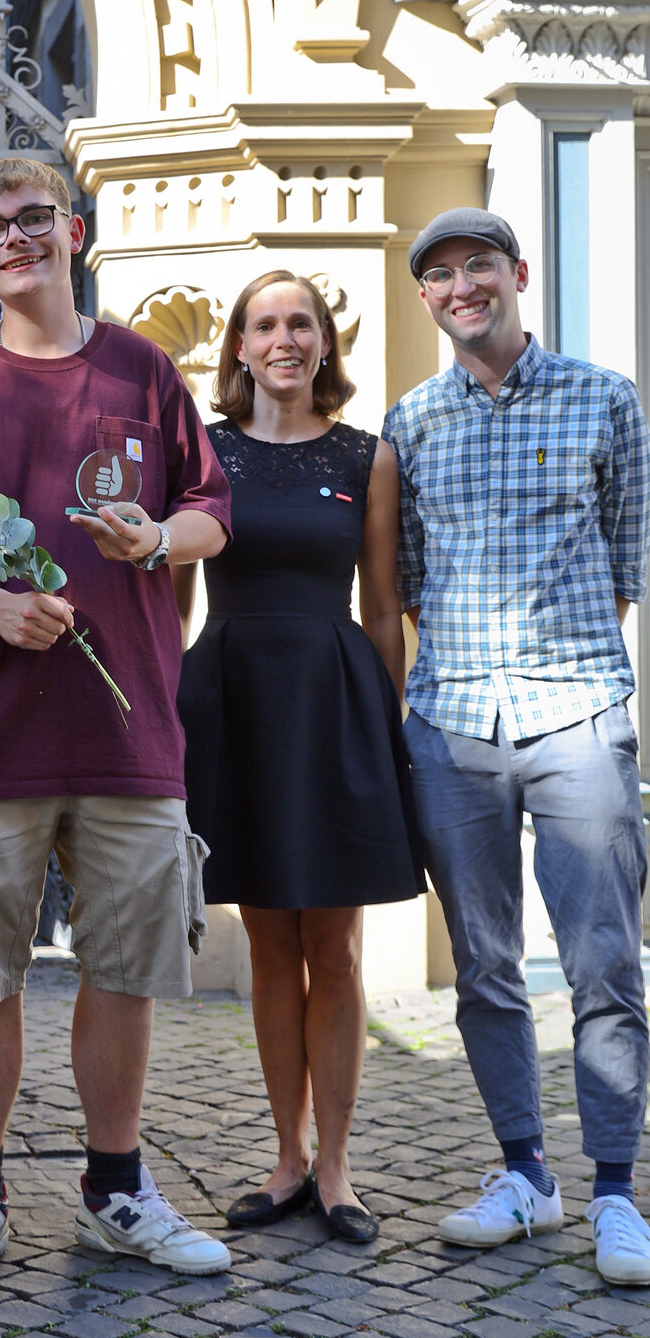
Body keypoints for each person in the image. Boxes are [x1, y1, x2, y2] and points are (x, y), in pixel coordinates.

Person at [0, 157, 234, 1291]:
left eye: (33, 219)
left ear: (71, 231)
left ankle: (113, 1188)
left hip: (128, 731)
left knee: (121, 968)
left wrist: (158, 540)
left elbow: (210, 506)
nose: (14, 239)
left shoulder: (139, 366)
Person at [385, 207, 650, 1285]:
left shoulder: (603, 398)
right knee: (485, 967)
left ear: (516, 273)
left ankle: (614, 1191)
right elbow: (403, 579)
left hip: (577, 711)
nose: (461, 286)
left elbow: (627, 557)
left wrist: (564, 670)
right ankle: (522, 1172)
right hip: (451, 722)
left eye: (477, 265)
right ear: (425, 298)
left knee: (603, 960)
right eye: (440, 274)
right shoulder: (407, 423)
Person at [175, 271, 424, 1245]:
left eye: (299, 322)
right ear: (236, 345)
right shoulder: (205, 449)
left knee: (336, 946)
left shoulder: (367, 455)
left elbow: (377, 603)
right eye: (262, 323)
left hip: (331, 704)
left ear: (324, 341)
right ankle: (283, 1156)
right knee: (268, 944)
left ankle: (335, 1167)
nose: (281, 337)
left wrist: (383, 725)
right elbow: (171, 582)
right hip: (234, 702)